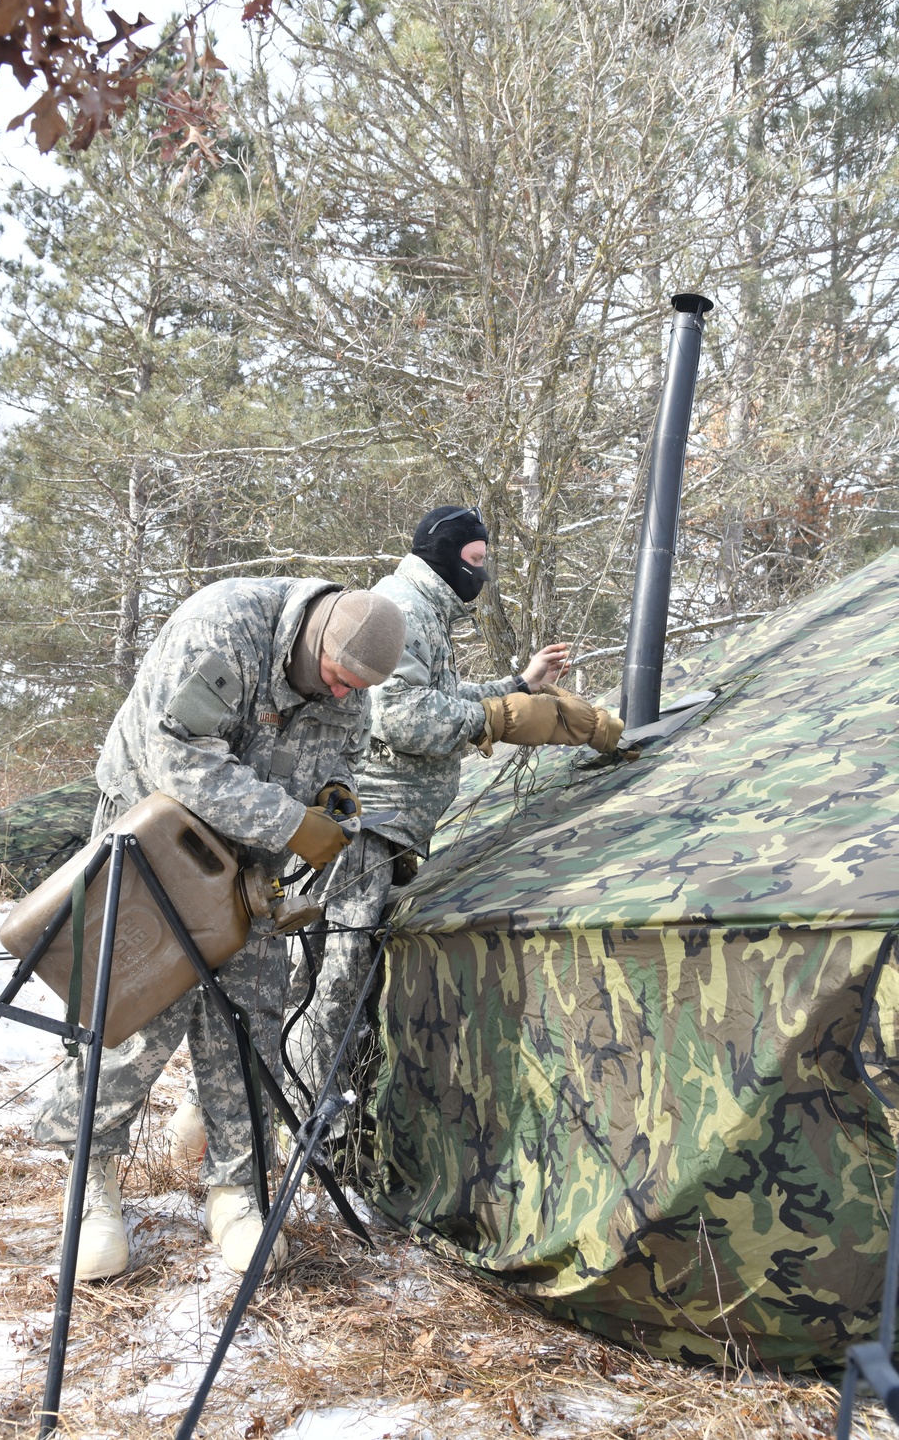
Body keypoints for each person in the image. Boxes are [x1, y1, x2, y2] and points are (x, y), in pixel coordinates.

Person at [32, 575, 406, 1281]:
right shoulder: (224, 626)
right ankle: (93, 1187)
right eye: (338, 678)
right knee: (135, 1014)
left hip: (249, 858)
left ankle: (238, 1191)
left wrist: (332, 806)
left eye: (359, 689)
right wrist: (292, 824)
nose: (343, 696)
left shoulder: (351, 691)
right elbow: (178, 758)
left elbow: (343, 763)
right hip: (154, 832)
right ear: (317, 636)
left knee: (251, 1018)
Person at [284, 505, 623, 1113]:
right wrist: (494, 719)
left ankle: (308, 1100)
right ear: (444, 554)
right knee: (336, 971)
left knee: (347, 970)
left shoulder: (424, 608)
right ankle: (303, 1111)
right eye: (474, 560)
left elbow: (439, 695)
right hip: (366, 823)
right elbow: (397, 714)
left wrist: (518, 687)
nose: (481, 573)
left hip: (391, 827)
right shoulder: (403, 609)